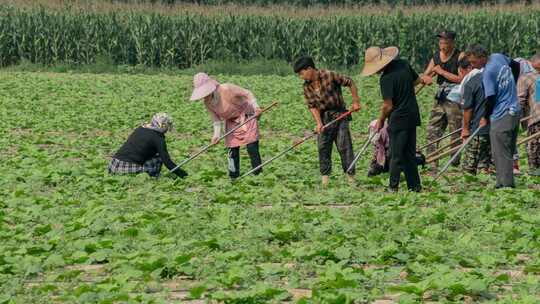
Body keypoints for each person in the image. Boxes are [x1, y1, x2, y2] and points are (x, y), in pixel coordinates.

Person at [361, 46, 423, 192]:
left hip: (399, 119)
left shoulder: (386, 79)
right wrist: (404, 92)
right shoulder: (404, 64)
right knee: (409, 153)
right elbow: (417, 81)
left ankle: (392, 187)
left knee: (395, 155)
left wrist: (381, 120)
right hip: (412, 115)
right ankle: (415, 186)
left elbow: (388, 106)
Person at [293, 56, 361, 187]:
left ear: (310, 69)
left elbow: (350, 82)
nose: (301, 77)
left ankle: (351, 178)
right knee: (323, 147)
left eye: (302, 73)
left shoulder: (329, 75)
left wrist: (356, 101)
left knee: (344, 146)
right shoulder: (306, 87)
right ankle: (325, 181)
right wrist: (319, 123)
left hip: (340, 114)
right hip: (324, 117)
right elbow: (312, 106)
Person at [466, 44, 521, 188]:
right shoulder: (498, 57)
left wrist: (484, 117)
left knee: (499, 152)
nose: (472, 66)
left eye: (473, 62)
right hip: (515, 110)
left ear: (482, 57)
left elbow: (489, 98)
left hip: (501, 114)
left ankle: (505, 185)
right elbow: (516, 65)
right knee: (508, 149)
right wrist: (512, 85)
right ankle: (504, 182)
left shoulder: (488, 72)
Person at [189, 73, 262, 180]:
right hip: (231, 121)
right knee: (232, 150)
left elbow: (247, 93)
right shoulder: (207, 103)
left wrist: (256, 107)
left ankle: (258, 174)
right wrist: (216, 135)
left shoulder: (226, 88)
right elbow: (216, 119)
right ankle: (234, 177)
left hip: (247, 115)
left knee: (251, 146)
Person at [421, 30, 465, 170]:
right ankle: (432, 162)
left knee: (455, 131)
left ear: (452, 43)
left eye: (445, 43)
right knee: (432, 129)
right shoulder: (436, 57)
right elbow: (426, 74)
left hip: (455, 97)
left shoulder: (460, 56)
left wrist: (442, 72)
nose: (442, 46)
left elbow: (462, 79)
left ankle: (454, 161)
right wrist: (425, 78)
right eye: (440, 42)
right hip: (440, 97)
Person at [108, 113, 188, 178]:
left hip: (114, 165)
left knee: (153, 153)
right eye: (166, 128)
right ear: (163, 127)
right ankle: (154, 176)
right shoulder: (158, 138)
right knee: (159, 157)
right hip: (126, 169)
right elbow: (168, 163)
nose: (166, 130)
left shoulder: (141, 128)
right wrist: (183, 175)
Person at [459, 58, 492, 175]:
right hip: (494, 128)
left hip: (478, 129)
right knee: (485, 166)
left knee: (469, 168)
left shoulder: (472, 82)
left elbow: (468, 109)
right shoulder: (496, 80)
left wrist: (465, 129)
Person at [517, 53, 540, 176]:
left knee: (534, 151)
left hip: (536, 120)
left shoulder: (526, 78)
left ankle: (535, 174)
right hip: (536, 116)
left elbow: (520, 101)